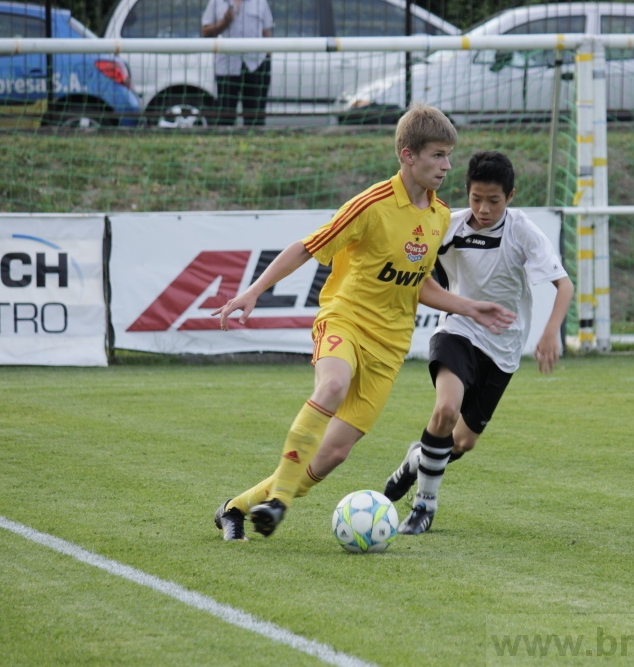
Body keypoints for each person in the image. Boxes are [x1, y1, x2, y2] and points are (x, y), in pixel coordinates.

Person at [211, 104, 517, 541]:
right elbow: (306, 247)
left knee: (333, 453)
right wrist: (254, 291)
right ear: (408, 156)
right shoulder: (371, 205)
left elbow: (418, 283)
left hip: (389, 346)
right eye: (437, 155)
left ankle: (235, 509)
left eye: (449, 156)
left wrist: (470, 306)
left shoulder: (437, 216)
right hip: (345, 319)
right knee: (332, 385)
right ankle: (278, 500)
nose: (447, 166)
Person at [382, 150, 574, 535]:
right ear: (466, 192)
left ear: (511, 196)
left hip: (504, 346)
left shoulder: (522, 231)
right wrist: (460, 305)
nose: (483, 209)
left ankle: (415, 461)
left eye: (494, 201)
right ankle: (424, 506)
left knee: (462, 441)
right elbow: (417, 274)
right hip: (457, 330)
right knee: (446, 409)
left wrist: (550, 331)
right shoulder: (446, 227)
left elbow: (563, 284)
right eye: (476, 199)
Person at [201, 0, 274, 126]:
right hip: (227, 66)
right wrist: (224, 22)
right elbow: (205, 31)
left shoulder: (260, 2)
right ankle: (226, 143)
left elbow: (266, 32)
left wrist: (267, 58)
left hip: (256, 64)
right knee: (226, 116)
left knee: (255, 116)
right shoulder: (216, 2)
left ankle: (255, 142)